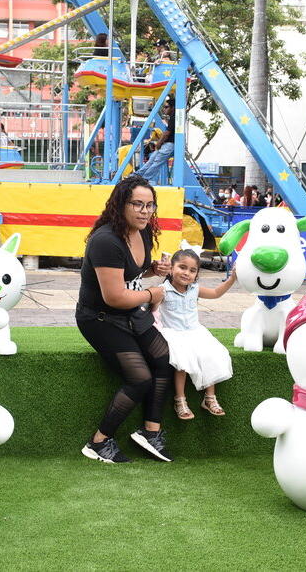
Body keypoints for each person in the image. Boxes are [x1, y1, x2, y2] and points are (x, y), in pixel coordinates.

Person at [76, 175, 174, 464]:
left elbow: (129, 273)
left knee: (163, 357)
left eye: (150, 205)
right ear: (121, 204)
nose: (145, 211)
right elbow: (115, 296)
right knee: (140, 378)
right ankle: (99, 441)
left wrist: (152, 269)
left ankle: (150, 431)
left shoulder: (141, 231)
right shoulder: (106, 240)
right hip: (101, 318)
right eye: (138, 204)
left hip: (128, 312)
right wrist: (152, 294)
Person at [154, 249, 236, 420]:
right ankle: (180, 399)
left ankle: (209, 398)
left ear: (197, 274)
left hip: (195, 331)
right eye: (182, 267)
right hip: (173, 334)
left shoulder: (195, 289)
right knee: (183, 360)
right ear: (171, 268)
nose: (187, 273)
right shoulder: (163, 290)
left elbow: (215, 293)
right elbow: (152, 310)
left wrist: (232, 278)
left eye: (192, 270)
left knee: (211, 353)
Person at [134, 98, 175, 181]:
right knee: (151, 160)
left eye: (166, 107)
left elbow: (166, 133)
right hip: (166, 145)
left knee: (156, 162)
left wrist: (159, 143)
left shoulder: (174, 118)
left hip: (170, 145)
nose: (164, 109)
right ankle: (137, 175)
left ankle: (144, 179)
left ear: (173, 108)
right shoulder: (171, 118)